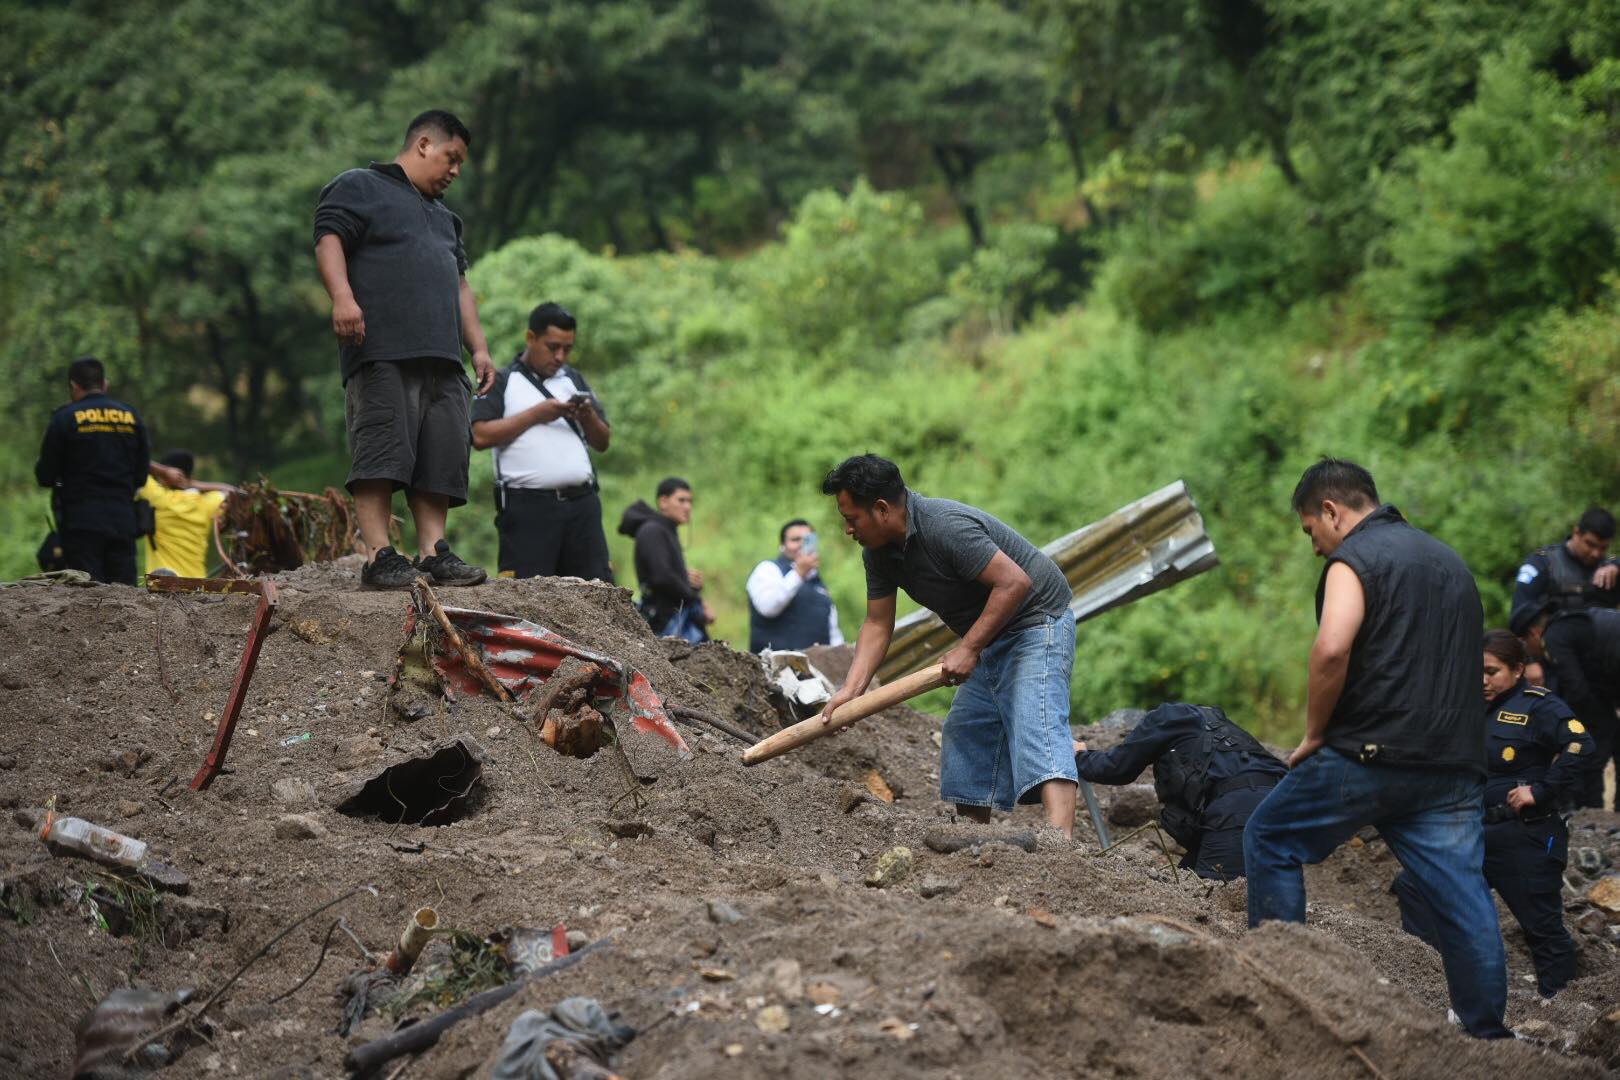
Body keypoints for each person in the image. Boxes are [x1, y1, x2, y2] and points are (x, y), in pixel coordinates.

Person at [1242, 458, 1510, 1039]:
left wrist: (1315, 734)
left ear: (1332, 512)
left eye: (1311, 531)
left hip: (1371, 752)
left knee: (1270, 837)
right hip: (1455, 763)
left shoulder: (1353, 560)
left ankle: (1279, 991)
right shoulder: (1451, 564)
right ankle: (1487, 1036)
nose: (1315, 548)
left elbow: (1332, 649)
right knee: (1464, 894)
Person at [818, 455, 1080, 837]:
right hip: (989, 634)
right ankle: (974, 838)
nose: (847, 529)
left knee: (1035, 719)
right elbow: (877, 623)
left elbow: (1014, 583)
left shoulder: (944, 527)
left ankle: (1062, 847)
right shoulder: (877, 554)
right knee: (966, 729)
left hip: (1036, 622)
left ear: (881, 510)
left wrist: (970, 648)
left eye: (852, 518)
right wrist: (851, 693)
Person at [313, 109, 493, 589]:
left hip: (442, 357)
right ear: (423, 145)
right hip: (382, 350)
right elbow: (328, 237)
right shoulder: (359, 186)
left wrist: (478, 348)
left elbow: (460, 286)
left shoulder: (444, 218)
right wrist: (343, 297)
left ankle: (434, 553)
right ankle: (378, 554)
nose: (455, 171)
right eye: (451, 158)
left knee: (441, 456)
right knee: (381, 449)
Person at [1391, 630, 1592, 998]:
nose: (1481, 679)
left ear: (1518, 671)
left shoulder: (1539, 706)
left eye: (1491, 671)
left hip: (1523, 837)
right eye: (1475, 670)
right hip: (1470, 833)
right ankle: (1434, 981)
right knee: (1414, 885)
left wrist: (1542, 790)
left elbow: (1581, 746)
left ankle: (1564, 1009)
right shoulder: (1467, 707)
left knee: (1541, 928)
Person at [470, 303, 613, 582]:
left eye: (567, 349)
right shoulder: (502, 380)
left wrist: (588, 416)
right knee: (527, 597)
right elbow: (479, 435)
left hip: (582, 505)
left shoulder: (574, 379)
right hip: (528, 508)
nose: (560, 356)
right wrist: (537, 415)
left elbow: (603, 441)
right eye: (552, 346)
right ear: (531, 338)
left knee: (597, 593)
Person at [1074, 703, 1286, 880]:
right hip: (1284, 809)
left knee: (1213, 901)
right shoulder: (1226, 730)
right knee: (1188, 881)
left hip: (1237, 812)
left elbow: (1115, 768)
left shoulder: (1164, 718)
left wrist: (1079, 756)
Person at [34, 357, 151, 585]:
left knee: (86, 593)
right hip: (123, 520)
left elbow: (45, 475)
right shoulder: (131, 416)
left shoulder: (64, 418)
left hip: (81, 522)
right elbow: (141, 475)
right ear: (104, 384)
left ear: (74, 386)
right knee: (125, 594)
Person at [1515, 600, 1619, 810]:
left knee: (1593, 744)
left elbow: (1577, 690)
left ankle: (1590, 808)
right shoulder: (1568, 625)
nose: (1529, 655)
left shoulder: (1554, 636)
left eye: (1524, 644)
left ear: (1534, 633)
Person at [618, 478, 714, 641]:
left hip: (672, 618)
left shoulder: (665, 529)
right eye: (681, 500)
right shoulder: (653, 530)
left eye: (690, 501)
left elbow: (665, 571)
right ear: (663, 501)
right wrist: (692, 595)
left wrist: (686, 579)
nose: (688, 507)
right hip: (665, 622)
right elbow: (661, 577)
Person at [138, 450, 240, 578]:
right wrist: (193, 483)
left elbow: (135, 462)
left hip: (160, 584)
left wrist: (163, 471)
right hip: (197, 585)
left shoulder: (157, 498)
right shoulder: (206, 504)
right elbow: (236, 493)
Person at [747, 519, 844, 652]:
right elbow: (768, 607)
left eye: (808, 539)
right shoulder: (768, 569)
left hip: (817, 668)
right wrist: (798, 573)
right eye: (795, 539)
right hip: (774, 667)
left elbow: (832, 631)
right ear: (782, 545)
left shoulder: (818, 583)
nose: (802, 545)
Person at [1512, 507, 1618, 620]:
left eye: (1603, 548)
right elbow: (1520, 612)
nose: (1595, 554)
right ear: (1576, 533)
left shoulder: (1611, 568)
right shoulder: (1542, 563)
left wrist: (1617, 566)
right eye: (1590, 544)